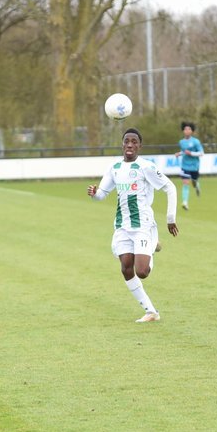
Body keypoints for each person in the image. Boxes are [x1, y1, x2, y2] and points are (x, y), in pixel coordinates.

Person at [87, 127, 179, 322]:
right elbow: (102, 194)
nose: (130, 144)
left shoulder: (146, 167)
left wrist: (170, 218)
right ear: (122, 144)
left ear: (140, 146)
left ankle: (151, 246)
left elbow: (170, 187)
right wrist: (94, 193)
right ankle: (151, 312)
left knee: (142, 272)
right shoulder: (114, 168)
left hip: (142, 226)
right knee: (126, 268)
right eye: (126, 141)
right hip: (122, 226)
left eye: (134, 142)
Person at [176, 121, 204, 210]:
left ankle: (197, 185)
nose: (187, 131)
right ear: (183, 131)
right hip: (185, 166)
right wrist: (179, 153)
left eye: (189, 129)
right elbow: (184, 151)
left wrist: (191, 153)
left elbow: (201, 153)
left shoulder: (196, 142)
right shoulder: (181, 142)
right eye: (185, 129)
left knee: (194, 182)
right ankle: (185, 202)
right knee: (185, 183)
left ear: (192, 131)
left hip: (194, 166)